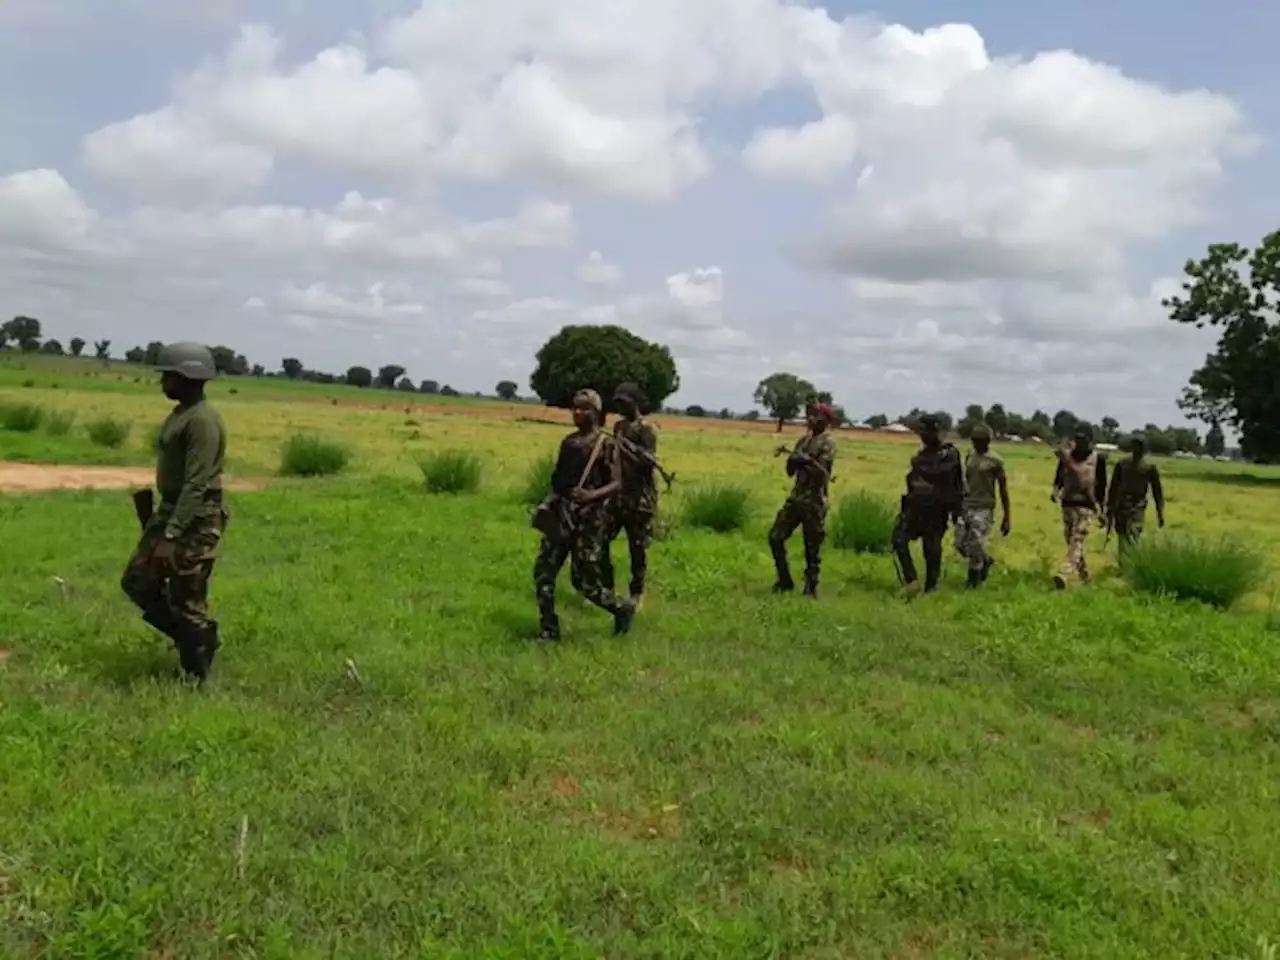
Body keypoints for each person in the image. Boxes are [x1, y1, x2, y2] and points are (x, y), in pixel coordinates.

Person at [120, 342, 229, 683]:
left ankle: (196, 672)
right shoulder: (182, 413)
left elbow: (197, 484)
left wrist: (172, 535)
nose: (162, 382)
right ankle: (194, 639)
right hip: (169, 512)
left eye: (168, 376)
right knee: (137, 582)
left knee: (186, 596)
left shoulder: (202, 422)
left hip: (195, 519)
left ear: (188, 377)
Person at [533, 389, 637, 642]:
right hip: (563, 515)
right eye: (575, 408)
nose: (578, 412)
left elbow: (616, 483)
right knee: (543, 573)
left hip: (589, 521)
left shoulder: (606, 444)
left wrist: (591, 496)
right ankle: (549, 630)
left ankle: (621, 609)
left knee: (585, 584)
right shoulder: (568, 443)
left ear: (597, 412)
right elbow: (557, 479)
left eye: (585, 408)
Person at [769, 402, 837, 597]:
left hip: (815, 500)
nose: (811, 419)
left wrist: (806, 461)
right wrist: (792, 461)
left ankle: (811, 586)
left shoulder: (828, 443)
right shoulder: (803, 441)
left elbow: (821, 473)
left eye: (817, 416)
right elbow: (790, 472)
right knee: (775, 537)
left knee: (812, 546)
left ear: (826, 420)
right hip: (797, 497)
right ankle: (784, 580)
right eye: (810, 415)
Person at [601, 382, 659, 608]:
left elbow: (647, 464)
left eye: (623, 402)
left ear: (635, 402)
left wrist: (625, 449)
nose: (619, 406)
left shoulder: (646, 429)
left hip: (640, 498)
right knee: (601, 539)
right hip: (617, 495)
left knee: (637, 548)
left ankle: (637, 592)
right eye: (617, 402)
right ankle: (606, 588)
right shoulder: (618, 426)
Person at [892, 413, 963, 597]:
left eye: (925, 432)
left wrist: (956, 511)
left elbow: (942, 475)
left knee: (931, 548)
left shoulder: (949, 453)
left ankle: (931, 587)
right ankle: (912, 581)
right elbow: (913, 479)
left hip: (937, 508)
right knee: (898, 538)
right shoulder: (922, 455)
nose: (922, 436)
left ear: (935, 431)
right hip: (915, 507)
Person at [1051, 423, 1108, 589]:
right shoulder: (1067, 457)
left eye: (1083, 440)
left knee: (1077, 538)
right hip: (1068, 503)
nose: (1080, 443)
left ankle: (1064, 573)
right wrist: (1055, 490)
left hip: (1087, 505)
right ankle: (1085, 576)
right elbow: (1059, 475)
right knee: (1072, 541)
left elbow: (1102, 485)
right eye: (1077, 439)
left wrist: (1101, 508)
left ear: (1090, 441)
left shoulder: (1098, 459)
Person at [954, 422, 1011, 587]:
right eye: (974, 440)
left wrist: (1007, 516)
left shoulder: (996, 461)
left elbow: (1003, 490)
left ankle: (973, 580)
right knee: (960, 543)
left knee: (976, 542)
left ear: (988, 441)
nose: (976, 443)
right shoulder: (969, 456)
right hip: (967, 504)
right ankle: (985, 560)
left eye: (980, 440)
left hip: (984, 507)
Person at [1106, 433, 1165, 561]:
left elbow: (1157, 491)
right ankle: (1123, 563)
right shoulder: (1122, 465)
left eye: (1141, 446)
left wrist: (1159, 512)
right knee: (1122, 535)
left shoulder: (1149, 468)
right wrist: (1109, 508)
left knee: (1133, 533)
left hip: (1137, 505)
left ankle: (1130, 563)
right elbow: (1114, 487)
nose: (1138, 449)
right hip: (1121, 505)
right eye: (1136, 446)